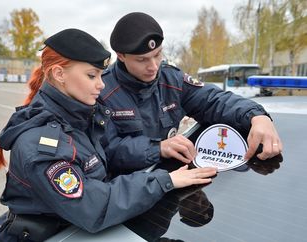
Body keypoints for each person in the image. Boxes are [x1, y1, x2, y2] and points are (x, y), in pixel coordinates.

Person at [0, 28, 217, 242]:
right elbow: (93, 206)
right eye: (92, 76)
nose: (101, 85)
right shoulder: (42, 145)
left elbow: (111, 154)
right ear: (59, 74)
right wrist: (163, 181)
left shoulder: (80, 117)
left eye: (101, 75)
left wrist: (158, 149)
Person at [99, 12, 283, 173]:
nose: (153, 66)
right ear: (121, 55)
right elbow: (105, 150)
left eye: (158, 54)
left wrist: (257, 116)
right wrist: (158, 148)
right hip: (126, 193)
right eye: (142, 60)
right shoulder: (100, 90)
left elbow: (213, 101)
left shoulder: (171, 80)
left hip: (171, 183)